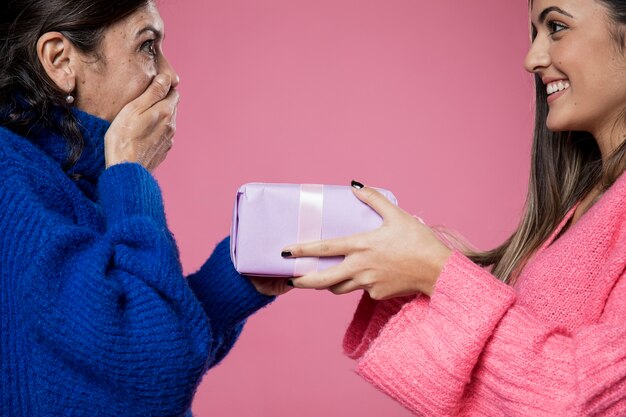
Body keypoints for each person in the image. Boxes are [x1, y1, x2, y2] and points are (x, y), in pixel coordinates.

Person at [283, 0, 626, 415]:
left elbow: (582, 401)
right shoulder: (585, 201)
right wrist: (406, 270)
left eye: (556, 27)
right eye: (534, 33)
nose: (532, 58)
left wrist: (437, 274)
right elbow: (506, 384)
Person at [0, 1, 286, 416]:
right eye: (148, 46)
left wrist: (236, 280)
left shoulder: (60, 175)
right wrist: (130, 169)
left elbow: (111, 351)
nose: (170, 75)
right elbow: (150, 372)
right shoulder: (11, 178)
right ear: (60, 60)